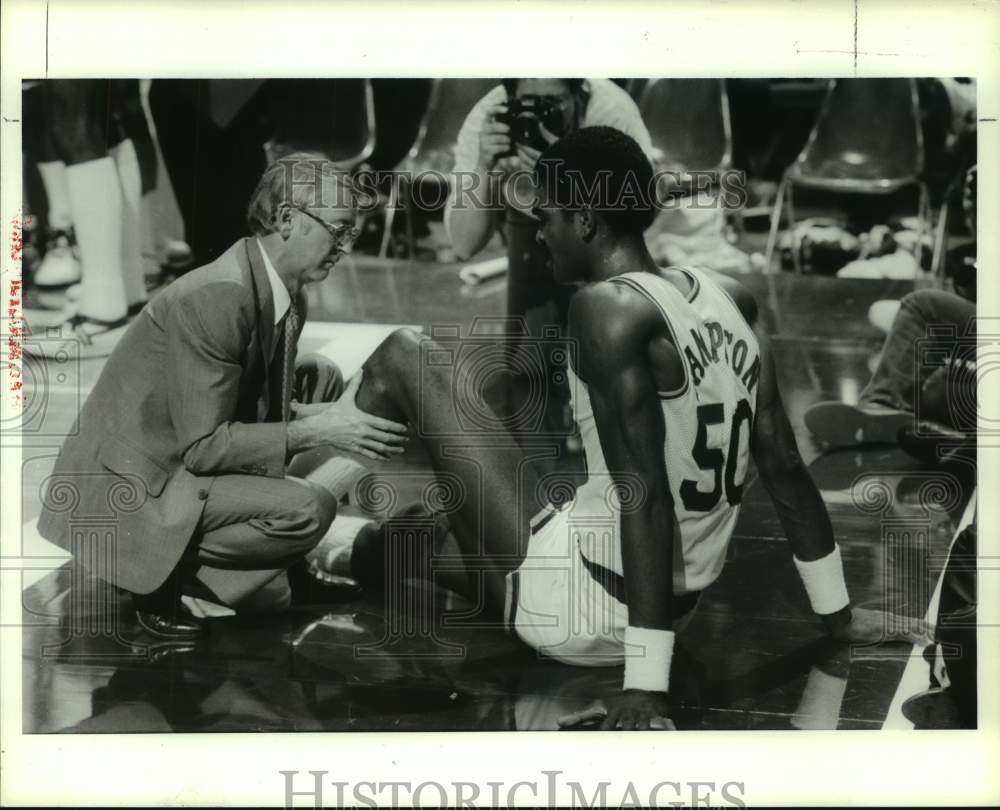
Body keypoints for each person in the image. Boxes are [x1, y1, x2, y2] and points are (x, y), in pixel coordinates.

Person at [308, 128, 928, 730]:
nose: (537, 234)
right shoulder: (729, 297)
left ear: (583, 219)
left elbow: (646, 498)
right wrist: (839, 619)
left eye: (546, 216)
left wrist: (645, 689)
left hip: (582, 606)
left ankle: (290, 509)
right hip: (646, 600)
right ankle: (329, 546)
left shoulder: (606, 308)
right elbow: (786, 467)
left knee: (405, 353)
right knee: (416, 539)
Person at [37, 153, 409, 640]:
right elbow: (205, 447)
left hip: (175, 456)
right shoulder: (220, 294)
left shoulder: (280, 285)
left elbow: (233, 410)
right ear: (287, 219)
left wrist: (318, 413)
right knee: (309, 508)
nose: (344, 247)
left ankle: (277, 570)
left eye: (351, 233)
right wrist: (320, 427)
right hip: (131, 494)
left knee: (319, 375)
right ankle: (163, 578)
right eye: (338, 230)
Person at [445, 79, 653, 462]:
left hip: (605, 232)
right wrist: (482, 167)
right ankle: (543, 473)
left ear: (580, 94)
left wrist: (564, 175)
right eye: (530, 103)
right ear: (510, 98)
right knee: (529, 374)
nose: (539, 111)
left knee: (616, 364)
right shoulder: (490, 119)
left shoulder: (609, 109)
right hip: (532, 237)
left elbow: (642, 212)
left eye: (553, 102)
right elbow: (462, 243)